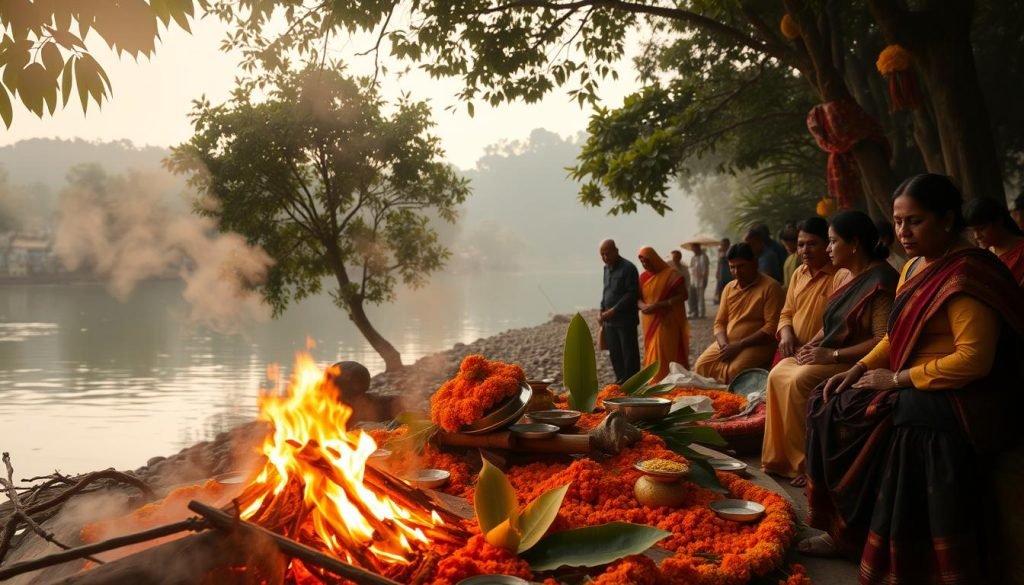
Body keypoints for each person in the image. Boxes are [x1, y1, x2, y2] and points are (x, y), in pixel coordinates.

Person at [800, 174, 1024, 585]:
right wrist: (858, 369)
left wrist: (898, 379)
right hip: (912, 378)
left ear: (947, 220)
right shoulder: (915, 268)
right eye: (898, 222)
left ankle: (909, 561)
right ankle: (845, 530)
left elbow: (974, 360)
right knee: (826, 402)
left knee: (903, 425)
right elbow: (894, 335)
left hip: (970, 395)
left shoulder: (967, 274)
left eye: (915, 221)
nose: (903, 232)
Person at [761, 212, 896, 486]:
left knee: (799, 380)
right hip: (831, 351)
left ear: (854, 243)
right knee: (777, 373)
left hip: (858, 359)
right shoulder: (847, 274)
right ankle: (779, 459)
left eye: (833, 242)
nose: (828, 249)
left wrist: (830, 354)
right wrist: (814, 343)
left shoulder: (880, 279)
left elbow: (883, 339)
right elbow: (832, 321)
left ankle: (806, 463)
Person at [693, 243, 784, 383]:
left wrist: (739, 345)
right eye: (732, 267)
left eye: (741, 266)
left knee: (734, 372)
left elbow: (771, 328)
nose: (736, 272)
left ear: (754, 263)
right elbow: (719, 323)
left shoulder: (771, 287)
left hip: (758, 345)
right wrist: (724, 345)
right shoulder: (729, 288)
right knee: (701, 366)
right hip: (727, 343)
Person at [774, 217, 845, 366]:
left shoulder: (840, 275)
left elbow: (838, 322)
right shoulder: (798, 273)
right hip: (793, 349)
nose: (805, 250)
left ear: (827, 244)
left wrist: (810, 347)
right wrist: (786, 336)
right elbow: (786, 313)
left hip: (821, 353)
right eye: (801, 245)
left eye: (812, 244)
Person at [638, 247, 690, 380]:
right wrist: (643, 306)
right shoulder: (643, 277)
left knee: (664, 350)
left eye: (647, 262)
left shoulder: (671, 275)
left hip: (667, 319)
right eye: (642, 263)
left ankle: (665, 380)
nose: (645, 265)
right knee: (650, 350)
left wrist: (661, 304)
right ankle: (653, 381)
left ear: (654, 260)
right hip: (649, 319)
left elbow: (683, 295)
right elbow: (637, 298)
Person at [599, 239, 642, 383]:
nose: (605, 257)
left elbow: (632, 293)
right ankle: (620, 382)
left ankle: (633, 383)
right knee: (614, 352)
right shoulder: (606, 269)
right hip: (610, 321)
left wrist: (614, 310)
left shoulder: (628, 268)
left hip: (625, 319)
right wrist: (602, 310)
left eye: (608, 253)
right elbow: (606, 291)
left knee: (629, 353)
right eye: (602, 254)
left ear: (616, 251)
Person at [964, 196, 1024, 285]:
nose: (976, 236)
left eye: (981, 229)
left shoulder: (1021, 251)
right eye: (972, 231)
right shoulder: (983, 255)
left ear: (999, 221)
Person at [688, 243, 709, 319]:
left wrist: (705, 279)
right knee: (694, 297)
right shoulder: (693, 258)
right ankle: (695, 312)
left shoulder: (704, 257)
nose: (693, 250)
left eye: (694, 248)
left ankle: (701, 313)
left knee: (701, 297)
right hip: (694, 279)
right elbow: (690, 267)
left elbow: (705, 269)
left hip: (701, 279)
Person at [780, 223, 801, 291]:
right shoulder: (790, 258)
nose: (786, 248)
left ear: (795, 243)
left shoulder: (800, 259)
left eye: (786, 245)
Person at [713, 237, 732, 304]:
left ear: (728, 245)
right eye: (721, 244)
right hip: (721, 275)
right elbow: (719, 263)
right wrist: (717, 272)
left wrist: (725, 259)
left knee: (728, 292)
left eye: (724, 244)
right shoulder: (720, 253)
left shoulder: (731, 252)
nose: (722, 246)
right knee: (721, 291)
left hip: (729, 275)